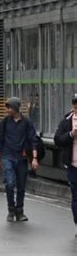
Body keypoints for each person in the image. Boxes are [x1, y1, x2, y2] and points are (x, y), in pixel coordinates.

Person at [0, 97, 39, 222]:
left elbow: (33, 140)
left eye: (9, 107)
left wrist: (34, 158)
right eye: (7, 107)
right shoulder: (4, 122)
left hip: (22, 157)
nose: (7, 110)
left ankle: (20, 211)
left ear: (15, 108)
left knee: (21, 185)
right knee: (9, 183)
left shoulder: (26, 122)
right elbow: (0, 141)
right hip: (7, 156)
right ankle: (11, 209)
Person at [54, 93, 77, 237]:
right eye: (75, 104)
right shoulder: (66, 121)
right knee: (76, 197)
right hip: (73, 166)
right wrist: (71, 134)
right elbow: (58, 140)